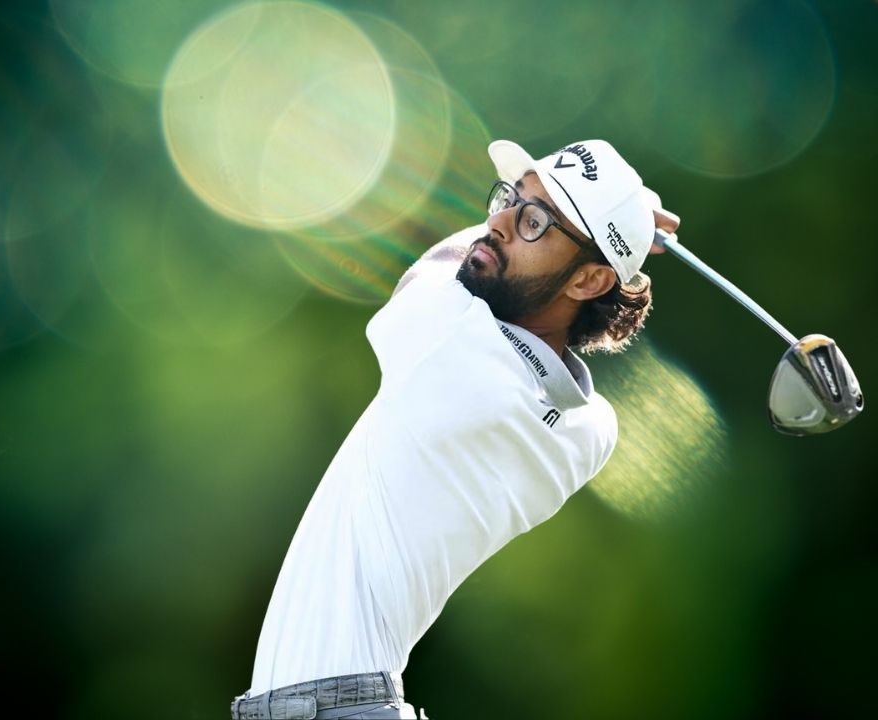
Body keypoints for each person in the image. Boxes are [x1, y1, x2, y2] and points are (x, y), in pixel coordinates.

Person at [230, 139, 680, 719]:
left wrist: (629, 207)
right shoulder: (590, 432)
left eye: (534, 221)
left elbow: (450, 261)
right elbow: (508, 267)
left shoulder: (449, 346)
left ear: (589, 281)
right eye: (509, 200)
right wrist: (612, 225)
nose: (497, 222)